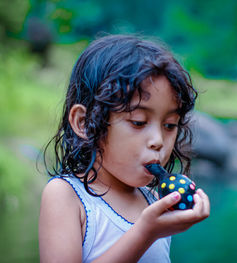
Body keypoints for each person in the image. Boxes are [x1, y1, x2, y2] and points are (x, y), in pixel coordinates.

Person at [39, 34, 210, 263]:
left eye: (170, 125)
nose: (158, 140)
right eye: (138, 122)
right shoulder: (67, 196)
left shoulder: (154, 199)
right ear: (84, 123)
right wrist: (145, 232)